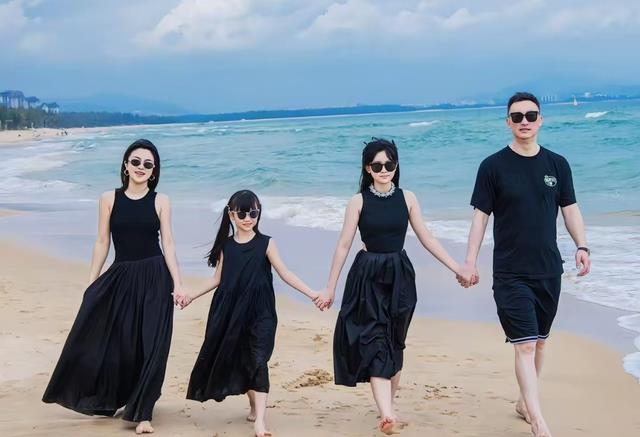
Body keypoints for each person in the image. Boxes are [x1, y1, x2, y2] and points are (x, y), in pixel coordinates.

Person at [318, 138, 473, 434]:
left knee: (395, 342)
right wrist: (330, 288)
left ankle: (388, 405)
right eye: (377, 166)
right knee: (375, 340)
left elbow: (427, 238)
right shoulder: (358, 202)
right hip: (367, 275)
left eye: (389, 164)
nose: (384, 170)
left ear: (396, 164)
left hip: (400, 275)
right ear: (367, 168)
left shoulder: (408, 198)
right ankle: (387, 414)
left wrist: (458, 268)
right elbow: (343, 245)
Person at [460, 92, 591, 437]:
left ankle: (523, 402)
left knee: (541, 341)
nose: (524, 122)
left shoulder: (557, 164)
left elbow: (570, 209)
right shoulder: (492, 167)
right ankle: (538, 421)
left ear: (540, 120)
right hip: (510, 272)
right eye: (517, 116)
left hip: (548, 269)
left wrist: (582, 245)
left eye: (530, 115)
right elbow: (480, 218)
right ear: (508, 122)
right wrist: (470, 262)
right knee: (526, 344)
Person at [43, 139, 183, 434]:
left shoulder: (161, 201)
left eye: (148, 164)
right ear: (125, 165)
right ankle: (115, 396)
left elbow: (168, 244)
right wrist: (92, 282)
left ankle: (144, 413)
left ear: (154, 171)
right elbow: (102, 241)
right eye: (136, 161)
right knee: (123, 344)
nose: (141, 167)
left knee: (153, 345)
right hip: (122, 276)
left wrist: (178, 284)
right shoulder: (109, 198)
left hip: (156, 277)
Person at [175, 189, 322, 437]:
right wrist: (190, 296)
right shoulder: (226, 246)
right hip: (230, 310)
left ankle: (260, 421)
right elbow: (217, 279)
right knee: (242, 359)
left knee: (258, 359)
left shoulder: (266, 243)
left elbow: (285, 273)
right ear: (231, 215)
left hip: (261, 310)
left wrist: (313, 294)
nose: (247, 218)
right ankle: (254, 404)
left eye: (253, 212)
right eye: (242, 213)